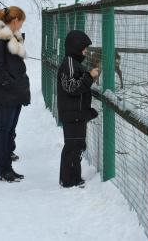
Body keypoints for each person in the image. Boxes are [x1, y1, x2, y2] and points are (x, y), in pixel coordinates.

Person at [0, 6, 30, 182]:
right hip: (6, 93)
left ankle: (8, 167)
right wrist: (10, 84)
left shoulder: (11, 38)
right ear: (15, 20)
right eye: (21, 22)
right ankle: (1, 170)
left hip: (15, 92)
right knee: (3, 131)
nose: (21, 27)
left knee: (10, 131)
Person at [57, 30, 99, 188]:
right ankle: (68, 180)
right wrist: (90, 77)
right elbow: (71, 87)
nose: (86, 52)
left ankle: (73, 177)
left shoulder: (74, 64)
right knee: (73, 146)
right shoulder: (69, 64)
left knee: (78, 145)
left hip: (77, 114)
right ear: (76, 47)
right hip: (72, 114)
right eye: (84, 48)